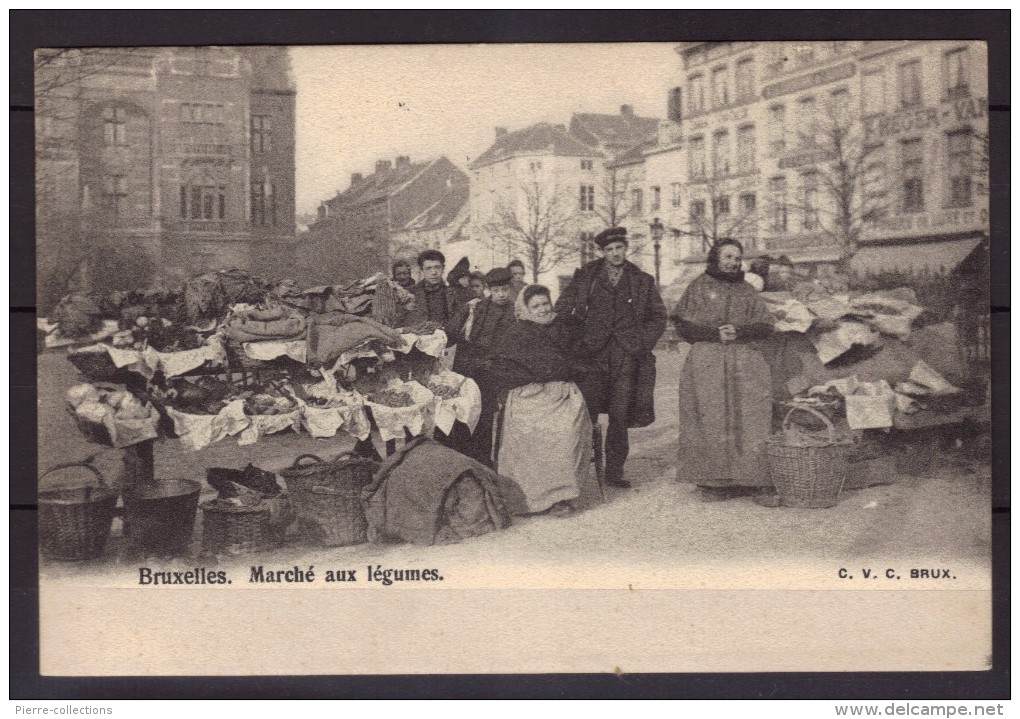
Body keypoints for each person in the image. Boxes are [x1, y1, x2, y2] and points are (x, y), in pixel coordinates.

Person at [554, 226, 667, 489]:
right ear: (602, 252)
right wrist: (577, 338)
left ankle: (613, 473)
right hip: (591, 357)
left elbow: (658, 317)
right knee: (586, 414)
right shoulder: (587, 277)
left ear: (626, 248)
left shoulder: (642, 280)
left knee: (619, 416)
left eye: (619, 248)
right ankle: (578, 469)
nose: (615, 254)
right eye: (609, 249)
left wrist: (641, 343)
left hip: (626, 357)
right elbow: (562, 307)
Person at [670, 238, 775, 503]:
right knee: (710, 416)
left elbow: (766, 325)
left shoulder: (747, 290)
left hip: (744, 363)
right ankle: (713, 481)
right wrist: (713, 333)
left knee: (749, 418)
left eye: (737, 258)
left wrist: (740, 331)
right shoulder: (698, 286)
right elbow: (682, 325)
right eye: (728, 256)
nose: (733, 262)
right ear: (716, 257)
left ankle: (750, 477)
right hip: (707, 362)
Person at [493, 285, 600, 516]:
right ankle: (530, 497)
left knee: (563, 432)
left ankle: (560, 497)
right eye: (536, 306)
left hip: (561, 392)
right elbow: (505, 368)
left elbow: (582, 361)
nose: (542, 310)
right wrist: (532, 379)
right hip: (528, 394)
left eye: (545, 304)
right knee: (529, 431)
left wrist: (563, 373)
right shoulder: (516, 332)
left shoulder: (565, 326)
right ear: (526, 309)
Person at [443, 267, 517, 465]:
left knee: (484, 419)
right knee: (461, 415)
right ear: (488, 290)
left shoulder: (516, 312)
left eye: (504, 289)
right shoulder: (475, 308)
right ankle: (460, 461)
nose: (500, 294)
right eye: (496, 290)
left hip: (493, 374)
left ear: (510, 289)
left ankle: (483, 463)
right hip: (467, 371)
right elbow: (449, 333)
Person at [406, 249, 458, 325]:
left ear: (443, 268)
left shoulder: (454, 294)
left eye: (437, 267)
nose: (434, 273)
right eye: (428, 268)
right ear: (421, 270)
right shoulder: (408, 294)